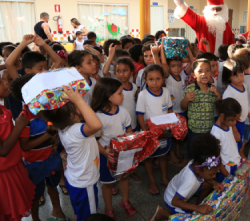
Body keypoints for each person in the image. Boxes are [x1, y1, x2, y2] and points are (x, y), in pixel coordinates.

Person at [10, 74, 68, 221]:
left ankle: (57, 211)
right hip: (34, 165)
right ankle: (36, 218)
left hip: (52, 158)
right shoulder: (24, 118)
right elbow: (25, 145)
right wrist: (48, 136)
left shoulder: (48, 110)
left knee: (53, 186)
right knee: (35, 195)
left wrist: (55, 138)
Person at [40, 83, 102, 221]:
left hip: (75, 179)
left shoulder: (64, 128)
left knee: (79, 211)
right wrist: (79, 100)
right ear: (71, 114)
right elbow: (97, 125)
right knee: (89, 216)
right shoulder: (75, 130)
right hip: (84, 183)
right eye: (76, 105)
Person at [148, 134, 223, 220]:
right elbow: (175, 201)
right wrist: (198, 208)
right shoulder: (190, 181)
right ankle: (163, 213)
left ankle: (198, 207)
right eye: (211, 174)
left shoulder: (196, 164)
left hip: (181, 191)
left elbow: (205, 176)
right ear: (199, 169)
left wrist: (214, 182)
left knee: (209, 184)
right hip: (172, 200)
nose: (214, 176)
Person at [91, 78, 136, 219]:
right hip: (107, 157)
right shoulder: (98, 117)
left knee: (124, 179)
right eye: (120, 93)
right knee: (107, 184)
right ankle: (109, 208)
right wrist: (104, 152)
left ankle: (125, 201)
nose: (123, 95)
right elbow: (94, 140)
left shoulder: (123, 112)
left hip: (124, 155)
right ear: (109, 96)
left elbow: (129, 131)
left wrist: (132, 145)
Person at [0, 78, 36, 221]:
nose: (6, 83)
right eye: (1, 82)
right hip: (3, 176)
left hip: (14, 167)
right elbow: (2, 151)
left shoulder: (3, 109)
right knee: (8, 212)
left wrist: (20, 163)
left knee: (15, 211)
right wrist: (20, 124)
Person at [136, 64, 173, 195]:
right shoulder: (143, 95)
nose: (155, 82)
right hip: (149, 133)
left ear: (163, 79)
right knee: (149, 158)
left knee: (163, 155)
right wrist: (145, 131)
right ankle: (152, 180)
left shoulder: (166, 92)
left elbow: (169, 110)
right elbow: (140, 114)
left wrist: (170, 126)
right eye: (151, 79)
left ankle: (164, 178)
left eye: (158, 79)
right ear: (145, 79)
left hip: (163, 132)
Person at [181, 59, 221, 158]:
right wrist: (186, 100)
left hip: (209, 129)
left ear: (211, 73)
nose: (204, 73)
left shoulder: (213, 88)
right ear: (194, 75)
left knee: (207, 152)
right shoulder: (190, 89)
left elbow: (219, 104)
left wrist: (218, 94)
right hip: (194, 130)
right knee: (194, 152)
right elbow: (183, 107)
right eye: (200, 71)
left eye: (207, 70)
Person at [211, 98, 242, 182]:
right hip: (227, 169)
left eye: (236, 119)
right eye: (232, 120)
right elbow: (217, 160)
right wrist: (228, 176)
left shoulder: (229, 125)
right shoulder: (216, 134)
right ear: (222, 116)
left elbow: (234, 142)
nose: (235, 122)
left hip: (236, 164)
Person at [222, 59, 250, 152]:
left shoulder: (244, 86)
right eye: (235, 75)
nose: (240, 77)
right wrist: (234, 130)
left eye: (241, 73)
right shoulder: (229, 93)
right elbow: (227, 114)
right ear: (228, 77)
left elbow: (245, 103)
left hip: (242, 122)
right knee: (233, 144)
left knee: (239, 142)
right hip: (233, 124)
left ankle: (238, 158)